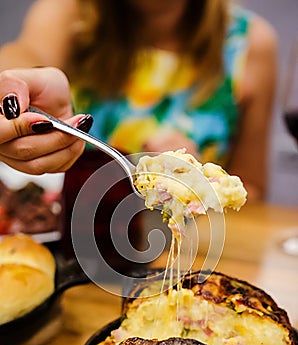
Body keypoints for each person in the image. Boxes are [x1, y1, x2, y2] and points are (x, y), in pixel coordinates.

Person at [0, 0, 277, 201]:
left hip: (182, 253)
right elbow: (24, 55)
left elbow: (251, 188)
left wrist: (205, 184)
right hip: (79, 241)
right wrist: (15, 82)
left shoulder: (250, 44)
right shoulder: (71, 11)